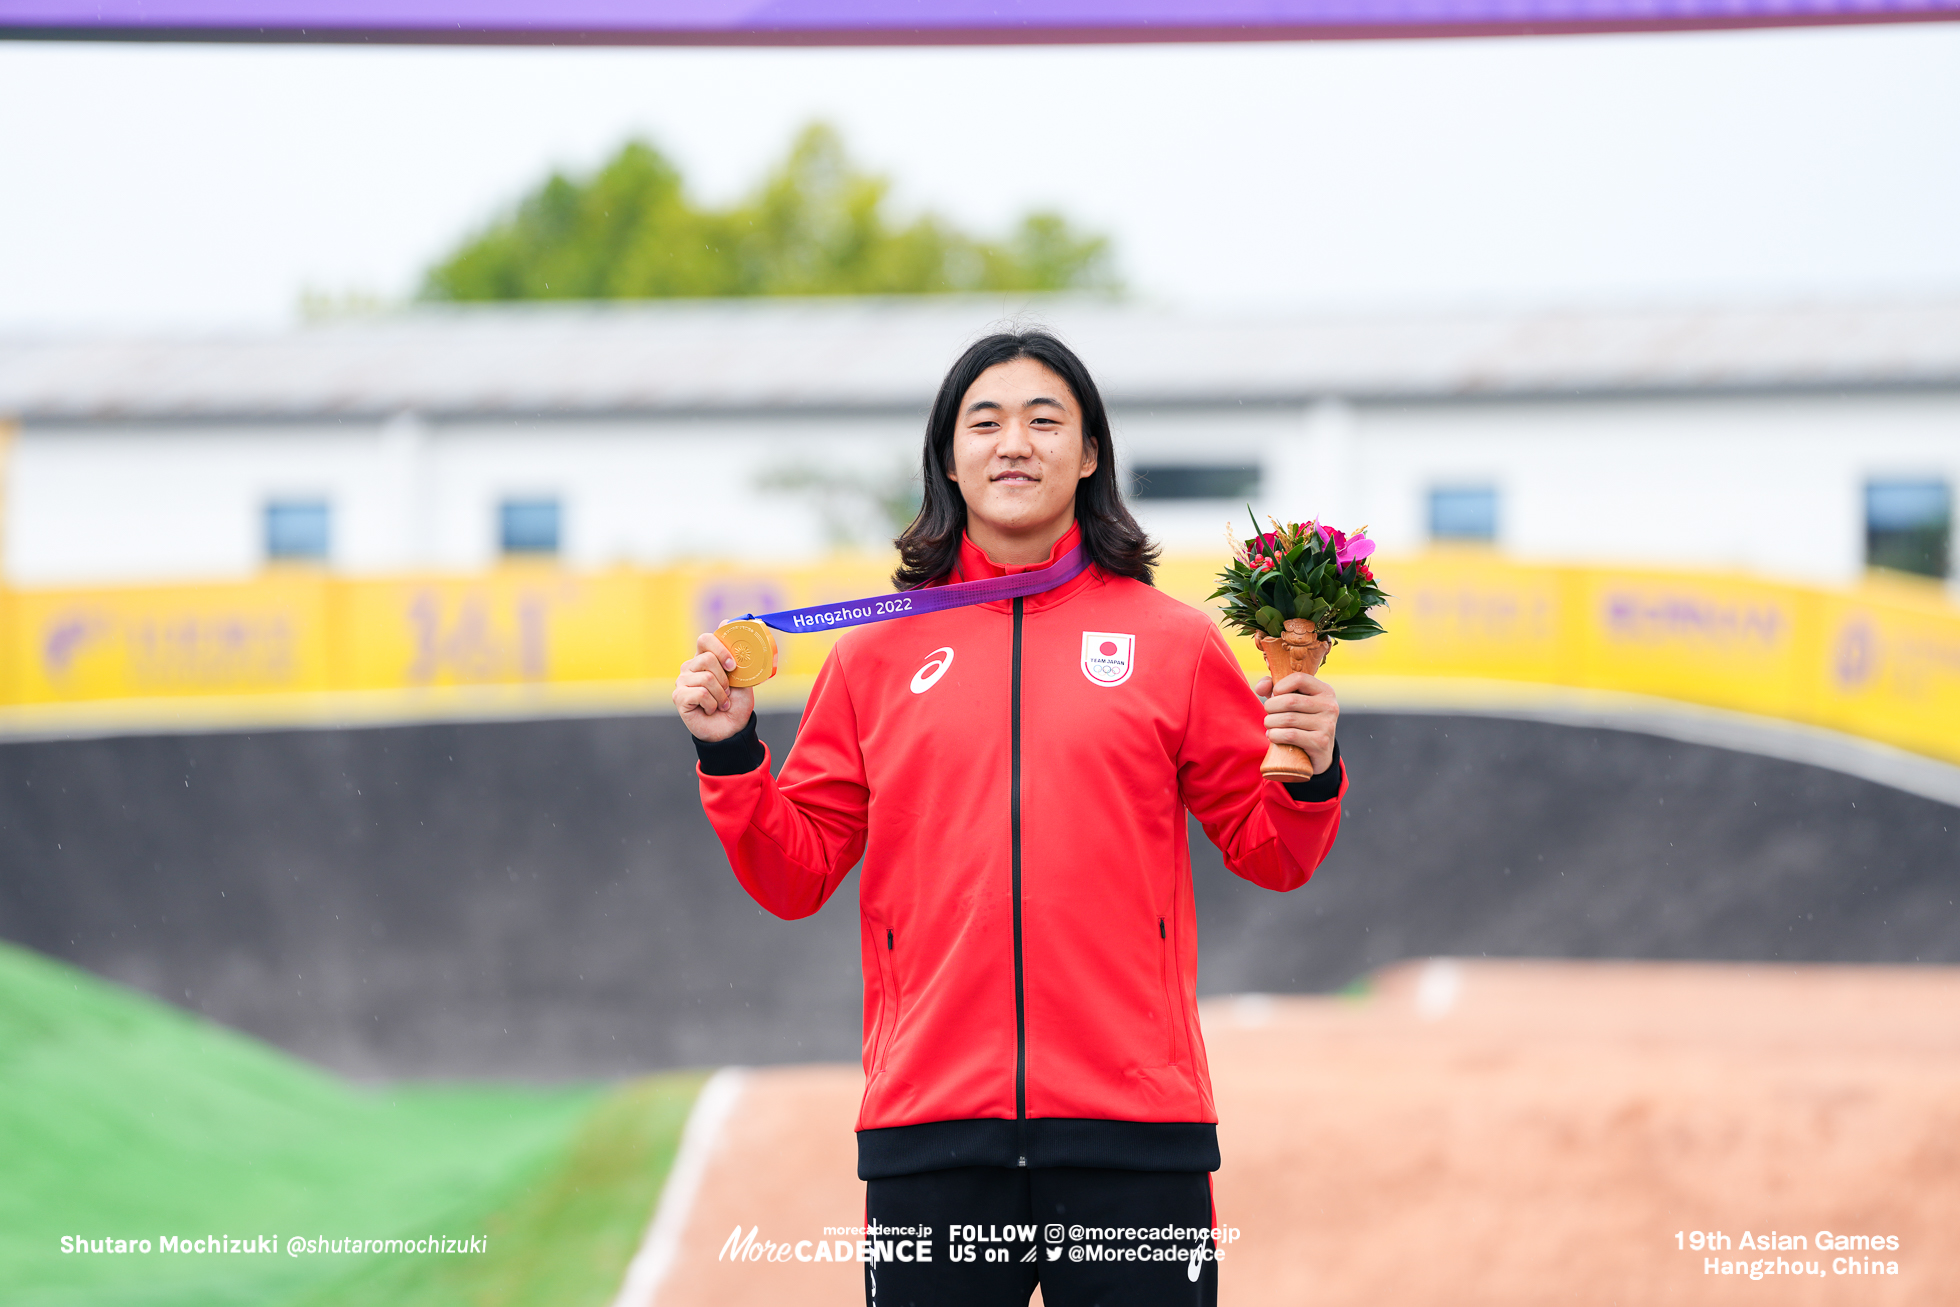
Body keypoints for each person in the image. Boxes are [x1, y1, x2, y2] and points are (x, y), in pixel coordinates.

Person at [672, 330, 1346, 1307]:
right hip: (931, 1133)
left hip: (1133, 1135)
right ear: (949, 456)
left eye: (1044, 419)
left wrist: (1310, 769)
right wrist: (731, 751)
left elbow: (1272, 852)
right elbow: (795, 873)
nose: (1013, 442)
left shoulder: (1174, 643)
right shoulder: (872, 656)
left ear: (1088, 454)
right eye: (984, 421)